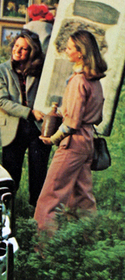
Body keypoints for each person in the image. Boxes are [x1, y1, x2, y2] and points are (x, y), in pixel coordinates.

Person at [34, 29, 107, 238]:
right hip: (88, 141)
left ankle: (44, 247)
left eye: (69, 48)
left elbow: (72, 122)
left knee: (50, 196)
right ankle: (88, 241)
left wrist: (53, 139)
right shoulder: (95, 80)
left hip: (73, 142)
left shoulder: (78, 80)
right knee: (83, 197)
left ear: (80, 53)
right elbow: (98, 117)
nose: (66, 51)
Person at [0, 31, 50, 205]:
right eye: (16, 46)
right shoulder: (0, 70)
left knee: (38, 173)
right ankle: (8, 210)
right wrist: (29, 112)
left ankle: (36, 212)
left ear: (32, 52)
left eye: (24, 49)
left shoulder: (41, 70)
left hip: (38, 127)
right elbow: (1, 102)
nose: (17, 51)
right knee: (11, 174)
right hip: (12, 127)